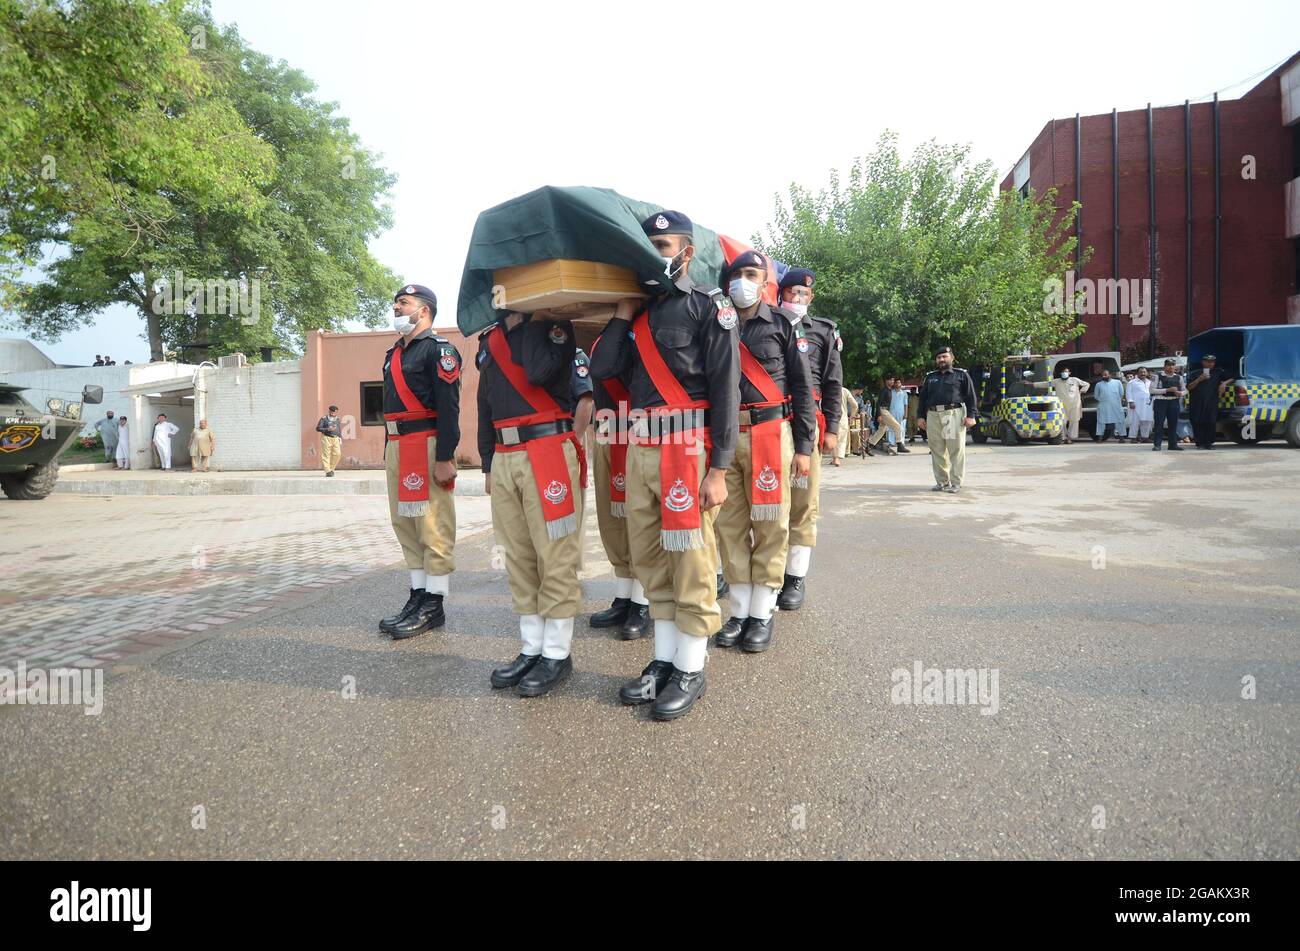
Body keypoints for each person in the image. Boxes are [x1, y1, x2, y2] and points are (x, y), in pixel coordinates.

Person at [589, 209, 739, 721]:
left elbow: (726, 391)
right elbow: (604, 369)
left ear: (687, 252)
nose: (655, 253)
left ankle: (691, 669)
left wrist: (719, 469)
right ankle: (663, 661)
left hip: (688, 453)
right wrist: (622, 314)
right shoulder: (640, 314)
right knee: (650, 559)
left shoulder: (709, 307)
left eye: (664, 245)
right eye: (648, 245)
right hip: (642, 451)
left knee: (692, 562)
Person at [709, 251, 814, 654]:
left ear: (765, 281)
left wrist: (804, 447)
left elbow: (803, 389)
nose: (745, 282)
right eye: (739, 274)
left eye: (753, 275)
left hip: (772, 433)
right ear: (727, 279)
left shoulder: (785, 324)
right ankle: (738, 613)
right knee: (730, 527)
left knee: (771, 526)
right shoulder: (715, 323)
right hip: (726, 437)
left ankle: (762, 614)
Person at [480, 310, 585, 697]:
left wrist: (527, 323)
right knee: (517, 555)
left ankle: (557, 653)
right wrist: (487, 459)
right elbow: (485, 401)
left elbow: (539, 372)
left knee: (554, 555)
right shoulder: (488, 340)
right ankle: (532, 648)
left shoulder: (552, 326)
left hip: (547, 450)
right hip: (505, 454)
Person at [378, 284, 461, 640]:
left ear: (423, 310)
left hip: (426, 444)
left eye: (404, 303)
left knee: (432, 525)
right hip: (398, 444)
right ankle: (417, 594)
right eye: (396, 302)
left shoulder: (439, 351)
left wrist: (445, 456)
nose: (396, 308)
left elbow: (449, 408)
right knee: (405, 523)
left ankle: (435, 602)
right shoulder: (393, 353)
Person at [776, 267, 840, 612]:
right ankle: (752, 574)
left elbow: (832, 382)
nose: (797, 299)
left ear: (811, 298)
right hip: (770, 421)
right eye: (791, 293)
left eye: (803, 294)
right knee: (764, 503)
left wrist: (831, 428)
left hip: (806, 423)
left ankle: (795, 577)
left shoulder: (824, 331)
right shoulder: (768, 323)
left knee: (803, 503)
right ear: (780, 294)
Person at [586, 333, 651, 640]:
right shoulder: (604, 337)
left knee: (639, 523)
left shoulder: (648, 331)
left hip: (639, 435)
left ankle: (642, 601)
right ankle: (624, 596)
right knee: (611, 522)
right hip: (605, 434)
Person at [917, 346, 978, 493]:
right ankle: (942, 482)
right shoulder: (930, 377)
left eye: (944, 356)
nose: (942, 359)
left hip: (952, 414)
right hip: (933, 415)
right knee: (936, 449)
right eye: (939, 357)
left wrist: (971, 416)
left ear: (952, 358)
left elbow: (971, 396)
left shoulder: (961, 375)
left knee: (955, 449)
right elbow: (923, 399)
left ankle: (956, 482)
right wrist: (920, 416)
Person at [1187, 354, 1235, 449]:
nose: (1210, 364)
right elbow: (1189, 387)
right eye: (1208, 361)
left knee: (1211, 422)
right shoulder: (1195, 373)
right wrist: (1199, 379)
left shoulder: (1218, 372)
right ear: (1203, 362)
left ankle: (1209, 443)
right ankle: (1199, 443)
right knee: (1197, 422)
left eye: (1212, 362)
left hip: (1211, 402)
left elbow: (1233, 377)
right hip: (1197, 402)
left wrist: (1224, 383)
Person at [1149, 358, 1184, 451]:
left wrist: (1180, 393)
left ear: (1175, 366)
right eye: (1168, 365)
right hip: (1161, 401)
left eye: (1173, 365)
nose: (1171, 367)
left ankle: (1173, 444)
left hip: (1174, 401)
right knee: (1159, 423)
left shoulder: (1179, 377)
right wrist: (1167, 390)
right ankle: (1157, 444)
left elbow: (1185, 390)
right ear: (1164, 366)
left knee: (1173, 424)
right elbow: (1151, 390)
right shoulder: (1157, 376)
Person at [1048, 367, 1090, 443]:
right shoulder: (1057, 381)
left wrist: (1081, 391)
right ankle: (1063, 437)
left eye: (1066, 371)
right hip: (1062, 405)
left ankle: (1070, 438)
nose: (1064, 373)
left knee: (1074, 421)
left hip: (1075, 404)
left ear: (1069, 373)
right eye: (1063, 372)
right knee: (1062, 421)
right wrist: (1032, 384)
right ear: (1060, 373)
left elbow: (1087, 384)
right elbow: (1045, 384)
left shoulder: (1075, 380)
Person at [1092, 369, 1124, 441]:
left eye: (1105, 374)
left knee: (1119, 421)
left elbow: (1121, 393)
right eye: (1103, 375)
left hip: (1116, 405)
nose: (1104, 376)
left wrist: (1116, 401)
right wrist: (1103, 400)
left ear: (1110, 375)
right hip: (1103, 405)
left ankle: (1122, 437)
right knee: (1101, 421)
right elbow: (1096, 396)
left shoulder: (1117, 382)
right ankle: (1100, 438)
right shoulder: (1098, 384)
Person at [1126, 368, 1154, 443]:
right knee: (1135, 421)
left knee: (1147, 421)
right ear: (1137, 373)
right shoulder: (1132, 382)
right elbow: (1128, 393)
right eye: (1141, 372)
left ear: (1147, 373)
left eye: (1144, 372)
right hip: (1136, 405)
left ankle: (1145, 437)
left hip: (1148, 405)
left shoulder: (1150, 382)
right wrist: (1130, 401)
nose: (1143, 373)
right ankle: (1133, 437)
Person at [315, 404, 344, 477]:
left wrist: (340, 437)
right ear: (329, 411)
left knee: (337, 454)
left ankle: (331, 469)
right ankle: (328, 471)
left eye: (334, 413)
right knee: (326, 454)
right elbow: (318, 428)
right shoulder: (324, 419)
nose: (333, 414)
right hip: (326, 438)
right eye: (331, 412)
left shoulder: (337, 419)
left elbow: (339, 428)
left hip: (335, 438)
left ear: (336, 412)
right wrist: (327, 429)